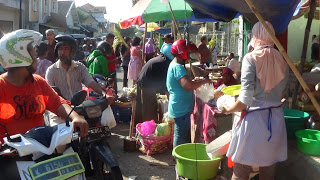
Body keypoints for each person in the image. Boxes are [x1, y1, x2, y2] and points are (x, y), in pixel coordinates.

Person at [221, 22, 289, 180]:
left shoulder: (250, 58)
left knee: (241, 170)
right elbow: (281, 94)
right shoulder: (283, 60)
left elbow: (245, 99)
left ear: (255, 35)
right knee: (268, 171)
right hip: (276, 122)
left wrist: (228, 109)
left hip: (255, 123)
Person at [0, 29, 89, 139]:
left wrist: (75, 117)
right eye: (33, 55)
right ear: (21, 57)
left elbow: (57, 103)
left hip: (40, 147)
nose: (37, 59)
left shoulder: (38, 82)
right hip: (10, 152)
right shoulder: (1, 86)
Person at [167, 40, 211, 147]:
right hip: (181, 107)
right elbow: (188, 85)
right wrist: (204, 81)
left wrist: (195, 81)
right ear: (182, 53)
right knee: (180, 135)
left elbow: (187, 83)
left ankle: (178, 155)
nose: (189, 57)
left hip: (180, 106)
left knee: (181, 134)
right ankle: (177, 158)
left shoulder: (175, 65)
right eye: (188, 53)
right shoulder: (177, 67)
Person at [46, 35, 113, 104]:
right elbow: (50, 94)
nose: (63, 52)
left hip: (80, 108)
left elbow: (91, 82)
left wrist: (104, 94)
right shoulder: (51, 71)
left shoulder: (80, 67)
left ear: (72, 51)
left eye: (66, 49)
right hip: (61, 110)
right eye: (60, 49)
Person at [134, 43, 175, 125]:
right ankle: (149, 130)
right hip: (147, 85)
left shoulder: (160, 59)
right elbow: (164, 82)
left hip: (143, 82)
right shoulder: (165, 62)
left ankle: (141, 126)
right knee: (149, 108)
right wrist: (169, 98)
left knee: (144, 107)